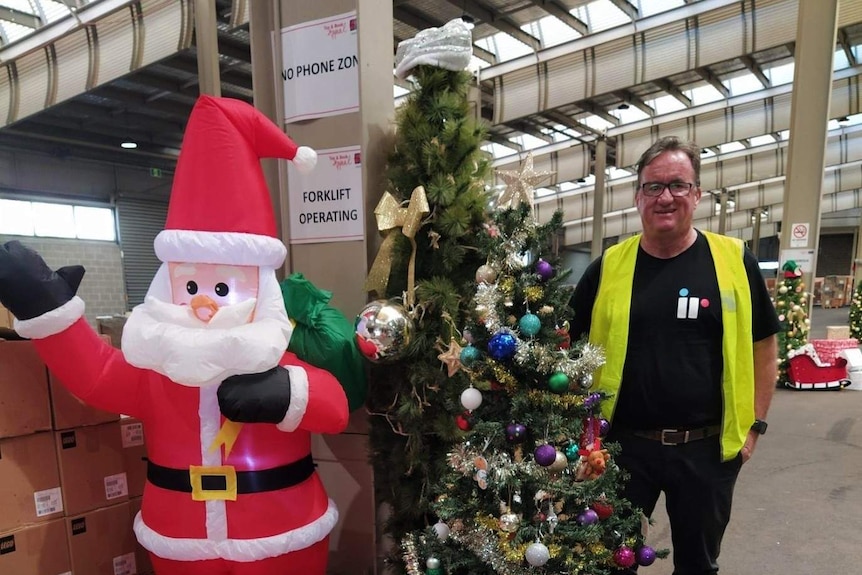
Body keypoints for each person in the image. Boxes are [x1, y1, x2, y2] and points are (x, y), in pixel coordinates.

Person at [0, 96, 350, 575]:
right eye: (189, 286)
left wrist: (290, 393)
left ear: (259, 289)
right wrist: (51, 313)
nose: (204, 303)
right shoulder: (155, 369)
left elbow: (333, 406)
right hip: (180, 536)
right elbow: (98, 376)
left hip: (281, 531)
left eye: (222, 287)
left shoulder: (277, 361)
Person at [570, 136, 778, 575]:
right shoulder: (607, 266)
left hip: (707, 451)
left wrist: (754, 429)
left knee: (699, 566)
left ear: (697, 194)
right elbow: (565, 345)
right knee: (608, 561)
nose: (665, 197)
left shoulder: (735, 261)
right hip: (620, 449)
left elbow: (764, 347)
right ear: (637, 197)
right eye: (653, 187)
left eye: (678, 185)